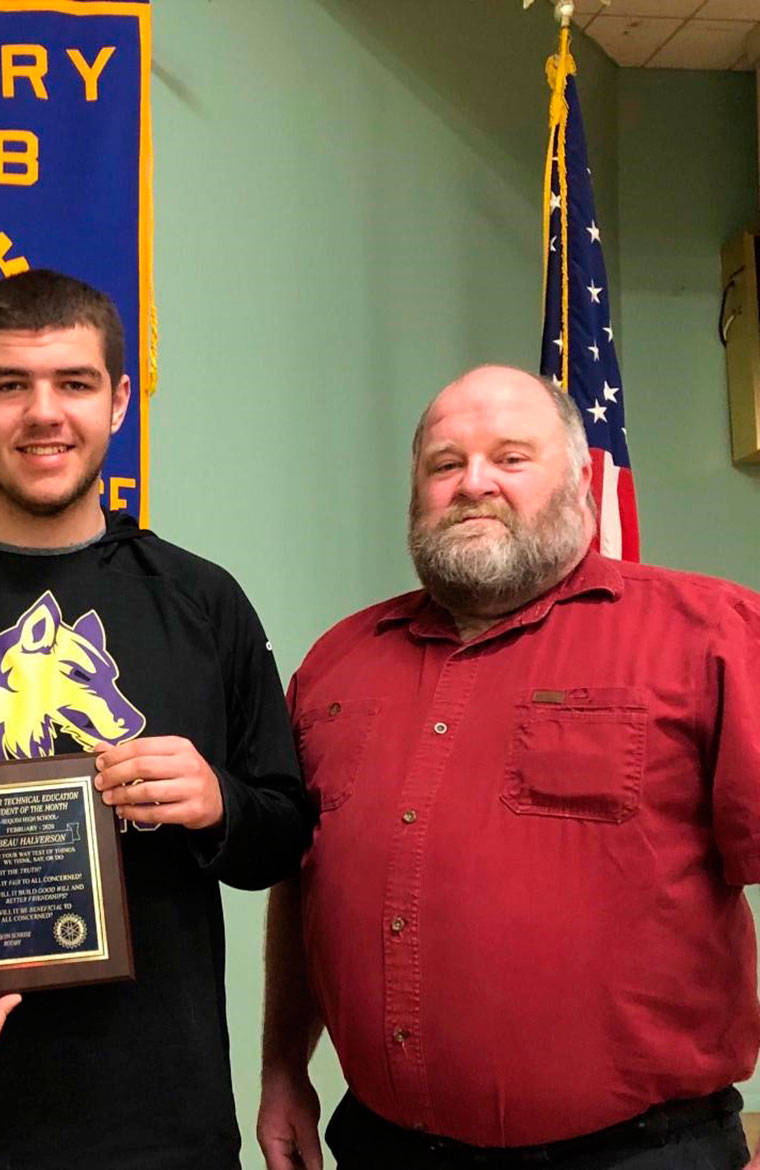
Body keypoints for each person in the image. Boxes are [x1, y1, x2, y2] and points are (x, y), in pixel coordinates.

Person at [0, 268, 312, 1169]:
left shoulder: (202, 602)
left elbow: (284, 834)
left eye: (74, 383)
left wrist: (217, 802)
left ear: (119, 402)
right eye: (10, 384)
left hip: (152, 1125)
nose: (44, 413)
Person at [258, 364, 760, 1170]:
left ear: (581, 482)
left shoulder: (711, 636)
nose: (473, 484)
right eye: (445, 463)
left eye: (511, 458)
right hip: (384, 1147)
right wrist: (283, 1069)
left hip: (641, 1154)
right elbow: (307, 886)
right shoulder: (336, 664)